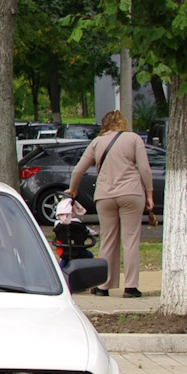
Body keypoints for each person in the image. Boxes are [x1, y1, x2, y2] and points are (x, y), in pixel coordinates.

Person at [66, 110, 154, 298]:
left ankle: (102, 286)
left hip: (105, 195)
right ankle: (130, 288)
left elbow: (78, 169)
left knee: (108, 239)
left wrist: (73, 189)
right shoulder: (133, 139)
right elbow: (145, 169)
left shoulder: (97, 142)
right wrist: (149, 193)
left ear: (104, 124)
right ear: (122, 123)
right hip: (131, 193)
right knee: (130, 240)